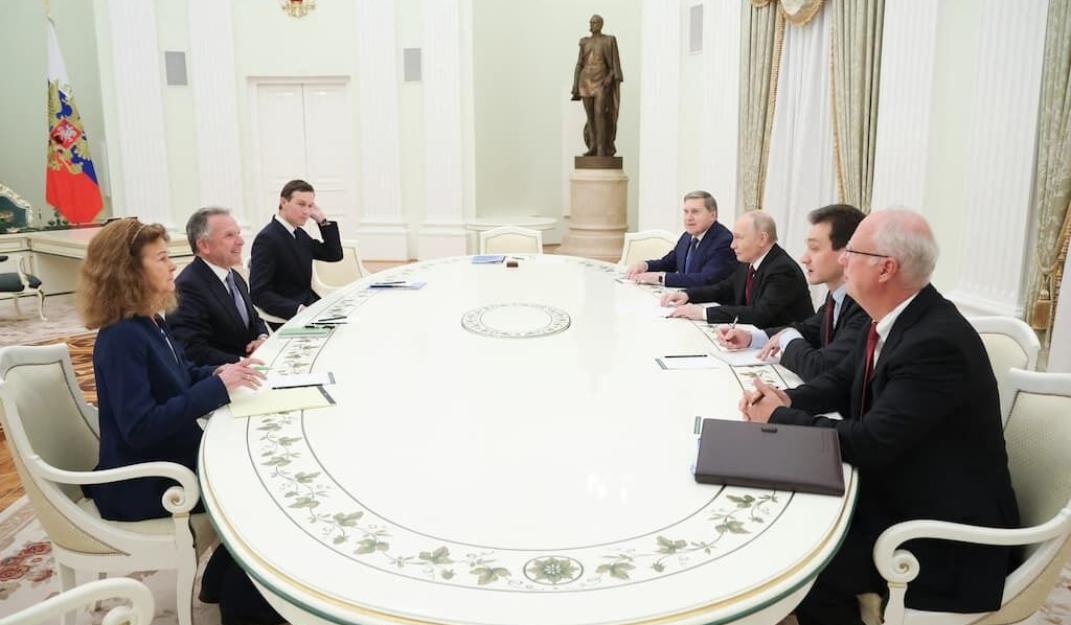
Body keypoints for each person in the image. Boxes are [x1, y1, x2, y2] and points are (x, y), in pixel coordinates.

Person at [741, 209, 1019, 625]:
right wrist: (785, 398)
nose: (844, 260)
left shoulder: (935, 342)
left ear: (886, 268)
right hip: (903, 488)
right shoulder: (896, 318)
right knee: (783, 527)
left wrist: (781, 417)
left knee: (801, 562)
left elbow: (870, 442)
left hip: (942, 534)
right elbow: (839, 380)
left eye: (852, 251)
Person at [77, 219, 281, 624]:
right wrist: (217, 388)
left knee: (256, 476)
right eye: (163, 258)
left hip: (167, 457)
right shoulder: (121, 337)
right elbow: (140, 428)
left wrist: (225, 372)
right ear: (129, 271)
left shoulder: (149, 321)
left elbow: (182, 373)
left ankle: (223, 579)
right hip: (140, 482)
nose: (174, 266)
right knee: (258, 492)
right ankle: (248, 605)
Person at [717, 204, 869, 381]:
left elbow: (821, 368)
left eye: (814, 248)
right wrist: (751, 338)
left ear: (846, 253)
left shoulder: (865, 305)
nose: (804, 258)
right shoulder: (837, 296)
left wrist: (787, 338)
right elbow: (809, 329)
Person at [663, 211, 812, 327]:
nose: (732, 245)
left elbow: (759, 314)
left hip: (784, 353)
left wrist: (703, 313)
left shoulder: (782, 270)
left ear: (762, 239)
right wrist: (688, 295)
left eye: (739, 238)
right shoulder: (748, 260)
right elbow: (725, 288)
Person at [169, 207, 269, 367]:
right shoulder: (187, 287)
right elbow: (193, 349)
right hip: (223, 377)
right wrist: (244, 362)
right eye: (230, 235)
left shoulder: (234, 276)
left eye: (238, 233)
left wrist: (261, 338)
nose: (241, 241)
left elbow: (255, 319)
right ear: (204, 245)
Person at [250, 179, 343, 325]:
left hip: (311, 307)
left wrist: (322, 220)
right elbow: (259, 293)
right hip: (287, 316)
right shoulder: (267, 239)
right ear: (283, 202)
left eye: (310, 205)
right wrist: (299, 310)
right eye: (301, 204)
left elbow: (334, 254)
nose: (307, 211)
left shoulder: (299, 234)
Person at [625, 191, 736, 288]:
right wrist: (645, 265)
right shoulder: (687, 236)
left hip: (710, 304)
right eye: (686, 212)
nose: (689, 217)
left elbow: (705, 279)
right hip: (684, 296)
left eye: (695, 212)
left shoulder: (723, 241)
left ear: (713, 215)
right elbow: (669, 263)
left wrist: (661, 278)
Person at [571, 14, 623, 157]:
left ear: (600, 24)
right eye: (591, 22)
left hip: (601, 82)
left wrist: (609, 78)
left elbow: (614, 66)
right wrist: (575, 84)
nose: (592, 24)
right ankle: (593, 146)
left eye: (594, 22)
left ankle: (601, 148)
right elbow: (579, 64)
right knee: (590, 116)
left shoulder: (609, 40)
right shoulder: (584, 42)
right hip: (585, 82)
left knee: (600, 113)